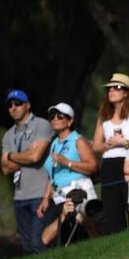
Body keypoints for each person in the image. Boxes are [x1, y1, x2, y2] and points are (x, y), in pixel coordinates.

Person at [37, 103, 98, 245]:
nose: (55, 119)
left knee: (83, 234)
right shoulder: (54, 143)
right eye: (52, 117)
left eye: (60, 116)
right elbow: (52, 173)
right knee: (52, 239)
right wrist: (46, 197)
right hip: (58, 196)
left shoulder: (78, 140)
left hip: (77, 191)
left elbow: (92, 166)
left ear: (70, 121)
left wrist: (67, 162)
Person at [0, 89, 53, 253]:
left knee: (39, 243)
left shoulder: (42, 124)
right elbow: (5, 168)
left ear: (27, 105)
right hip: (20, 197)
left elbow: (36, 157)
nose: (13, 107)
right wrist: (24, 155)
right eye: (10, 105)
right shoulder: (8, 135)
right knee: (28, 246)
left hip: (40, 195)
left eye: (18, 103)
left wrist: (11, 155)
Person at [91, 73, 129, 233]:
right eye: (109, 88)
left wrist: (125, 142)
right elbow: (96, 146)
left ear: (126, 92)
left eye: (117, 87)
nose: (112, 91)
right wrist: (108, 145)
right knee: (113, 212)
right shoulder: (104, 116)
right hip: (109, 166)